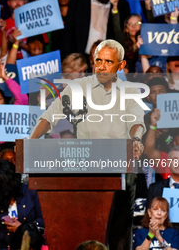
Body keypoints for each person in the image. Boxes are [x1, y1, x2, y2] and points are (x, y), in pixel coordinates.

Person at [30, 39, 146, 250]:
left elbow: (137, 122)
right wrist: (30, 140)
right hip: (85, 166)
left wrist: (136, 140)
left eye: (108, 61)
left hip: (121, 166)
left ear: (120, 66)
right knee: (85, 228)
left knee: (118, 233)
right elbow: (50, 115)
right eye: (98, 60)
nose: (101, 66)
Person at [0, 160, 44, 250]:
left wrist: (23, 229)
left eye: (3, 184)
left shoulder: (31, 192)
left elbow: (43, 220)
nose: (1, 189)